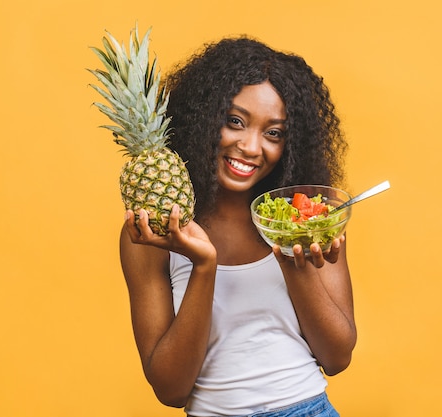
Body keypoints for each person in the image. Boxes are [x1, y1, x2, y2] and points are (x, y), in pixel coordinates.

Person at [120, 36, 355, 417]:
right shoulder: (152, 234)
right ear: (203, 116)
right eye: (235, 122)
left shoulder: (306, 219)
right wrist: (203, 266)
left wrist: (292, 257)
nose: (250, 146)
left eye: (273, 132)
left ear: (290, 143)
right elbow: (170, 389)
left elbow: (338, 357)